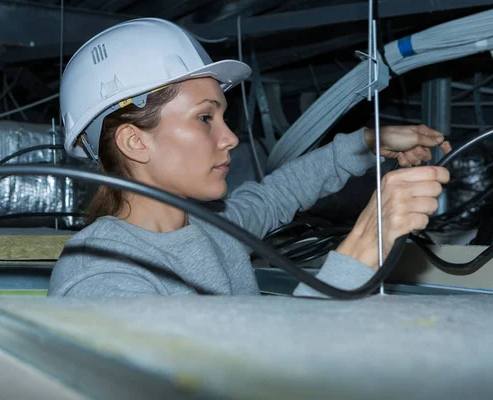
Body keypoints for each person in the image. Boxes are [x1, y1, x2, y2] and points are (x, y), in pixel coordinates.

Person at [48, 18, 451, 298]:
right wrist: (364, 244)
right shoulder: (101, 275)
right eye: (205, 117)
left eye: (223, 116)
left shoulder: (214, 226)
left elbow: (279, 194)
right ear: (135, 142)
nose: (230, 138)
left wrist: (368, 141)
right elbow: (255, 376)